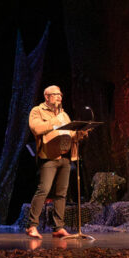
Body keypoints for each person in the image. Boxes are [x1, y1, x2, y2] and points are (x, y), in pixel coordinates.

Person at [25, 85, 87, 238]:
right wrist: (54, 121)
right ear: (47, 97)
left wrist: (81, 133)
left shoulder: (64, 114)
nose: (59, 97)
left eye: (60, 94)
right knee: (44, 190)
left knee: (61, 194)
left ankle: (58, 227)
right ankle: (31, 226)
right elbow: (36, 129)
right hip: (49, 158)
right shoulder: (37, 111)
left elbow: (71, 135)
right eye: (55, 94)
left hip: (65, 158)